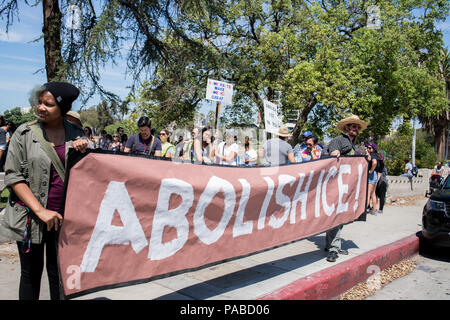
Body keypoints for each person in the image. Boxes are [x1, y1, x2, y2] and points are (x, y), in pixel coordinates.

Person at [0, 82, 89, 300]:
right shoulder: (24, 133)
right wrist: (40, 210)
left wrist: (86, 147)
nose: (41, 107)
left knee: (58, 275)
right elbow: (13, 176)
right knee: (30, 274)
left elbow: (88, 173)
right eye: (40, 102)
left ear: (62, 109)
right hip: (30, 218)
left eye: (48, 104)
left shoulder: (76, 133)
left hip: (63, 219)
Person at [325, 114, 368, 263]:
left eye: (357, 126)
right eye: (352, 125)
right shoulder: (339, 140)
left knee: (339, 215)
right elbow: (331, 154)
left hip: (345, 186)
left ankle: (330, 244)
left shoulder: (352, 144)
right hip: (335, 185)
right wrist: (334, 153)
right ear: (346, 127)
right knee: (336, 215)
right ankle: (333, 248)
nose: (355, 128)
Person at [365, 142, 379, 215]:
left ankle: (363, 211)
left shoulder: (373, 155)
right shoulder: (375, 155)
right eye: (367, 147)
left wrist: (370, 170)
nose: (368, 149)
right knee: (373, 193)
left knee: (367, 194)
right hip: (374, 175)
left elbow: (374, 163)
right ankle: (374, 209)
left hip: (372, 175)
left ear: (374, 149)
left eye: (370, 148)